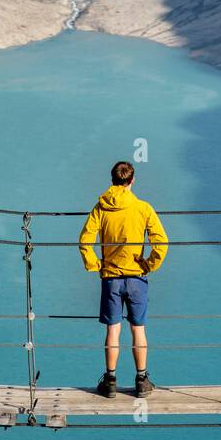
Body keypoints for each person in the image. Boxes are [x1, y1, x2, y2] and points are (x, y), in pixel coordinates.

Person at [78, 160, 168, 398]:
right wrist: (149, 264)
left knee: (113, 330)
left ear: (113, 180)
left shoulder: (100, 207)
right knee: (138, 329)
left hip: (111, 278)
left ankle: (110, 381)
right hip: (137, 277)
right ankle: (141, 380)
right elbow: (162, 243)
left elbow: (85, 240)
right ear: (132, 180)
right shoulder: (143, 208)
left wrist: (95, 264)